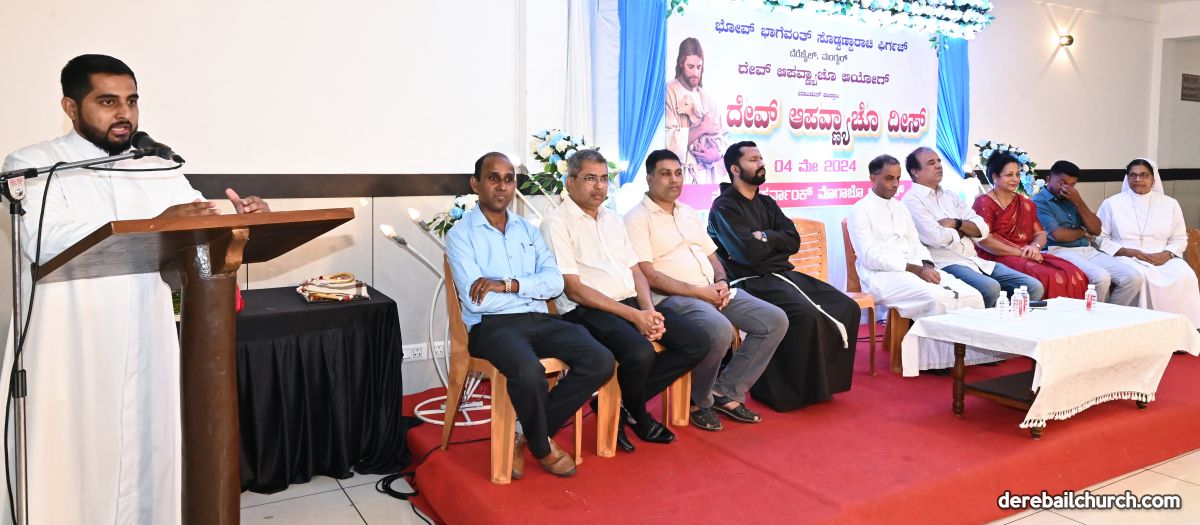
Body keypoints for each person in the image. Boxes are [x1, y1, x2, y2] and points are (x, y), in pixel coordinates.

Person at [0, 54, 270, 524]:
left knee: (148, 444)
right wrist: (160, 222)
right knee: (71, 455)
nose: (124, 113)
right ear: (70, 106)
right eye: (107, 102)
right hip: (70, 340)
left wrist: (242, 217)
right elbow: (46, 243)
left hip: (147, 332)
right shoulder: (34, 164)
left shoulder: (156, 166)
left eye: (131, 101)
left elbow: (198, 224)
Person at [446, 153, 614, 478]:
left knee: (601, 359)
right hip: (492, 328)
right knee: (529, 372)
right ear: (476, 184)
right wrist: (527, 289)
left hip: (539, 320)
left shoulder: (528, 230)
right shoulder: (461, 234)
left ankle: (524, 432)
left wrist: (508, 285)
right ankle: (542, 447)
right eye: (493, 178)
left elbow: (554, 283)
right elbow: (478, 301)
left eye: (509, 179)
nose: (502, 186)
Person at [541, 149, 707, 453]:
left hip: (629, 303)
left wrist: (649, 310)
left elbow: (635, 271)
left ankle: (620, 405)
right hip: (586, 310)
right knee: (639, 352)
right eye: (590, 178)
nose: (599, 186)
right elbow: (574, 289)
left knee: (696, 341)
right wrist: (634, 317)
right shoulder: (556, 223)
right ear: (570, 182)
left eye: (604, 179)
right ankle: (640, 415)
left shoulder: (613, 219)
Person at [624, 149, 788, 431]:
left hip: (712, 292)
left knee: (774, 320)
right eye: (665, 174)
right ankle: (698, 400)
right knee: (719, 330)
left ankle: (726, 390)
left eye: (678, 173)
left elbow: (713, 257)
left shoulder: (688, 212)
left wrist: (721, 282)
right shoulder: (635, 219)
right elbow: (648, 275)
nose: (674, 180)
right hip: (672, 299)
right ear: (649, 178)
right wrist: (700, 293)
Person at [707, 141, 860, 411]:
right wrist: (773, 243)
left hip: (780, 274)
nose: (761, 164)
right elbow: (747, 254)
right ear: (735, 169)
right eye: (753, 160)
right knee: (804, 314)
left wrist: (765, 237)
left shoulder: (767, 203)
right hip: (750, 282)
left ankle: (821, 385)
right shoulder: (723, 208)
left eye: (760, 158)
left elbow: (793, 240)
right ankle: (783, 391)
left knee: (846, 306)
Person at [848, 155, 996, 372]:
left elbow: (916, 243)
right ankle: (934, 362)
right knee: (937, 297)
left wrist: (926, 265)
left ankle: (964, 356)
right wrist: (915, 269)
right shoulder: (859, 210)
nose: (895, 184)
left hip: (915, 268)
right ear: (873, 178)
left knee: (970, 294)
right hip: (880, 275)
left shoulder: (900, 207)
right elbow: (869, 256)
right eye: (889, 178)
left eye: (898, 178)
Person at [903, 147, 1044, 307]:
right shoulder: (912, 200)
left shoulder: (950, 196)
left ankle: (1006, 320)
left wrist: (956, 223)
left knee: (1033, 287)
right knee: (990, 288)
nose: (938, 165)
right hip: (946, 263)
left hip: (975, 260)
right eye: (931, 163)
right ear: (915, 171)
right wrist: (966, 230)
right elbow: (937, 238)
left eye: (939, 161)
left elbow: (982, 230)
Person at [1096, 159, 1200, 328]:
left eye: (1144, 175)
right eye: (1133, 175)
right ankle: (1144, 328)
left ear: (1153, 179)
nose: (1138, 179)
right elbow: (1099, 238)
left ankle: (1181, 327)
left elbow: (1180, 238)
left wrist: (1166, 254)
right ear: (1127, 178)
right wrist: (1127, 251)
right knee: (1142, 277)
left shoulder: (1170, 204)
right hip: (1125, 256)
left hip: (1162, 256)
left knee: (1185, 274)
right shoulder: (1112, 203)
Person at [972, 153, 1088, 299]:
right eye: (1009, 175)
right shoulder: (984, 202)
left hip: (1027, 253)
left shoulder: (1025, 203)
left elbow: (1040, 234)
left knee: (1072, 272)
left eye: (1017, 174)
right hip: (997, 257)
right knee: (1049, 277)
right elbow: (984, 240)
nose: (1015, 179)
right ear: (995, 176)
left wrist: (1035, 247)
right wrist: (1021, 253)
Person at [1033, 160, 1142, 305]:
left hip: (1087, 249)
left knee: (1133, 278)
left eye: (1072, 184)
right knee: (1101, 277)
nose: (1066, 188)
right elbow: (1058, 235)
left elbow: (1096, 229)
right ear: (1048, 179)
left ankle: (1109, 315)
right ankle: (1093, 316)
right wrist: (1083, 232)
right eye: (1062, 183)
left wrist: (1079, 202)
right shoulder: (1039, 201)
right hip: (1058, 250)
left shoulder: (1073, 198)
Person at [665, 37, 725, 184]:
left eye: (699, 67)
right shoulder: (668, 92)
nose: (695, 73)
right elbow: (667, 139)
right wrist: (702, 128)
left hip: (706, 177)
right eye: (690, 67)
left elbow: (723, 137)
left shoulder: (707, 98)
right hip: (678, 175)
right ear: (681, 64)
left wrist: (716, 155)